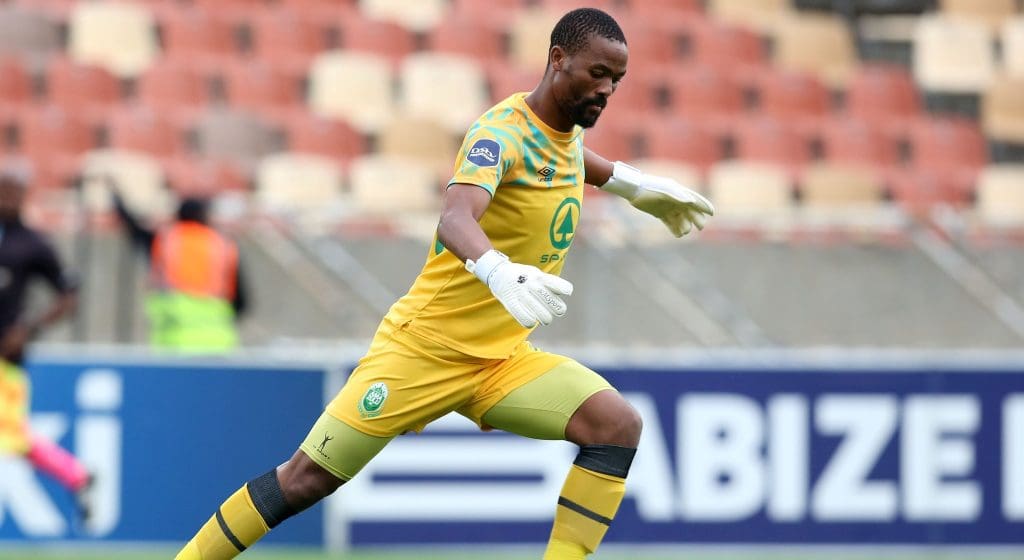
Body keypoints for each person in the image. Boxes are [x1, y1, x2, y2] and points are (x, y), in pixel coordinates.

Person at [175, 8, 713, 560]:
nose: (607, 90)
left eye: (616, 81)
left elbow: (572, 160)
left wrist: (635, 186)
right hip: (424, 349)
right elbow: (455, 218)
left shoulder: (564, 136)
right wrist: (498, 269)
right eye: (598, 73)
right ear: (558, 59)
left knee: (616, 425)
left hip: (501, 361)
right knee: (304, 479)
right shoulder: (498, 134)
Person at [0, 172, 93, 523]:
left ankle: (76, 475)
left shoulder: (32, 244)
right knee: (11, 436)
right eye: (2, 190)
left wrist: (28, 328)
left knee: (9, 437)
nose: (6, 198)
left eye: (13, 190)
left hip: (5, 359)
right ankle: (76, 475)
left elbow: (69, 295)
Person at [109, 183, 248, 353]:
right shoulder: (222, 244)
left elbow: (136, 231)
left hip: (172, 341)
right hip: (217, 342)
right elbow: (241, 299)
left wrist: (118, 202)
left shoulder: (166, 240)